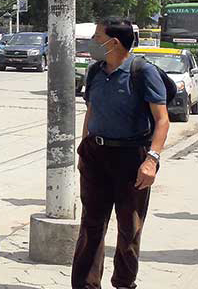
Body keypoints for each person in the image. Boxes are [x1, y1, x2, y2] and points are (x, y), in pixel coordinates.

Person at [72, 17, 170, 289]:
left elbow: (162, 119)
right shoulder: (94, 71)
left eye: (97, 36)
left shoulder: (142, 72)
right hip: (96, 155)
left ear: (113, 42)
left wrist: (152, 160)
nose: (93, 42)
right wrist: (84, 148)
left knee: (129, 228)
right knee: (91, 225)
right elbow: (91, 111)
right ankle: (85, 285)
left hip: (131, 158)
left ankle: (124, 283)